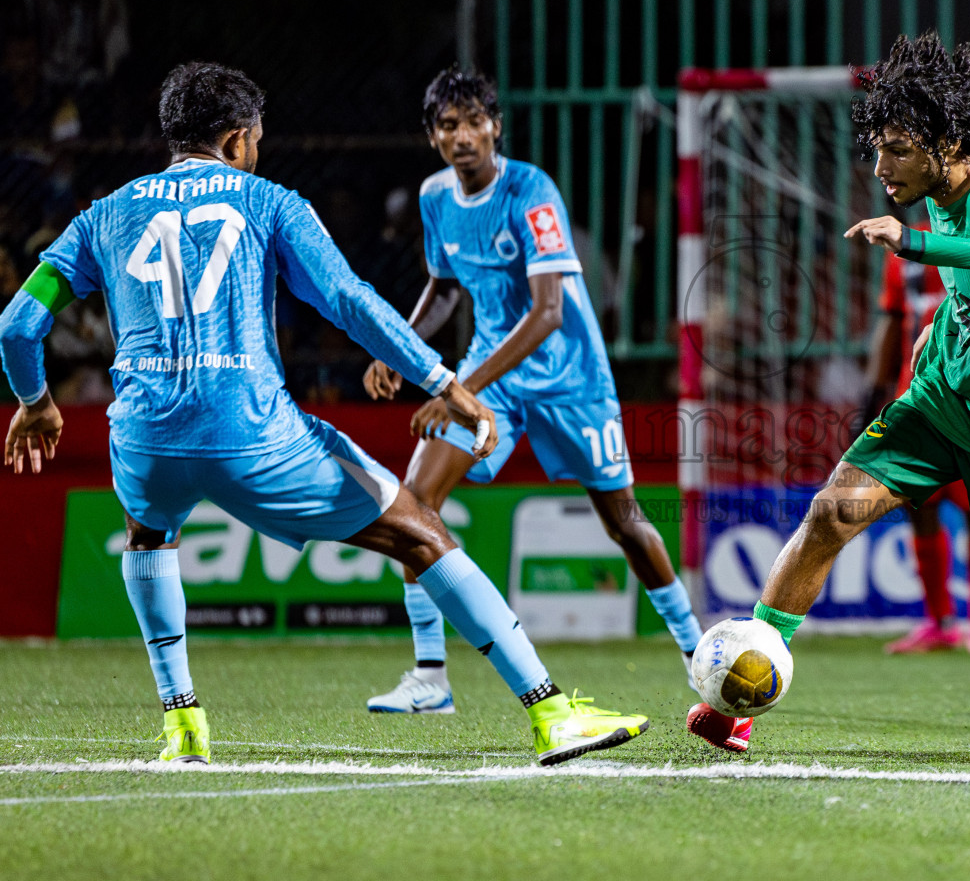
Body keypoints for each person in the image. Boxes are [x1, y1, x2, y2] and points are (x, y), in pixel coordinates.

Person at [0, 62, 649, 767]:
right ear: (237, 138)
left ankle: (182, 723)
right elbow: (347, 300)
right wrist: (441, 379)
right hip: (256, 435)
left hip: (146, 438)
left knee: (148, 536)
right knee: (422, 534)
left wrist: (34, 401)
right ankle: (552, 712)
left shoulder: (105, 214)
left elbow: (16, 325)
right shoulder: (268, 201)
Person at [686, 32, 970, 762]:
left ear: (949, 142)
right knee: (828, 515)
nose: (882, 169)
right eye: (878, 149)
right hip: (943, 399)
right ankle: (742, 698)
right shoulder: (937, 192)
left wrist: (913, 245)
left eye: (900, 150)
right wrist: (943, 313)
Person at [360, 68, 701, 714]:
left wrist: (453, 386)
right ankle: (430, 676)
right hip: (495, 382)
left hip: (571, 378)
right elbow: (444, 287)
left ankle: (693, 649)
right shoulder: (436, 198)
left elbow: (547, 312)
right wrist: (397, 350)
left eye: (473, 121)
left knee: (623, 522)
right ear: (432, 137)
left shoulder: (531, 190)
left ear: (496, 126)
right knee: (412, 501)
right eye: (448, 125)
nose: (463, 136)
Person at [868, 242, 970, 656]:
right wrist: (873, 396)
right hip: (915, 396)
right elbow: (892, 319)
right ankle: (938, 623)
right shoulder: (901, 247)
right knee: (920, 506)